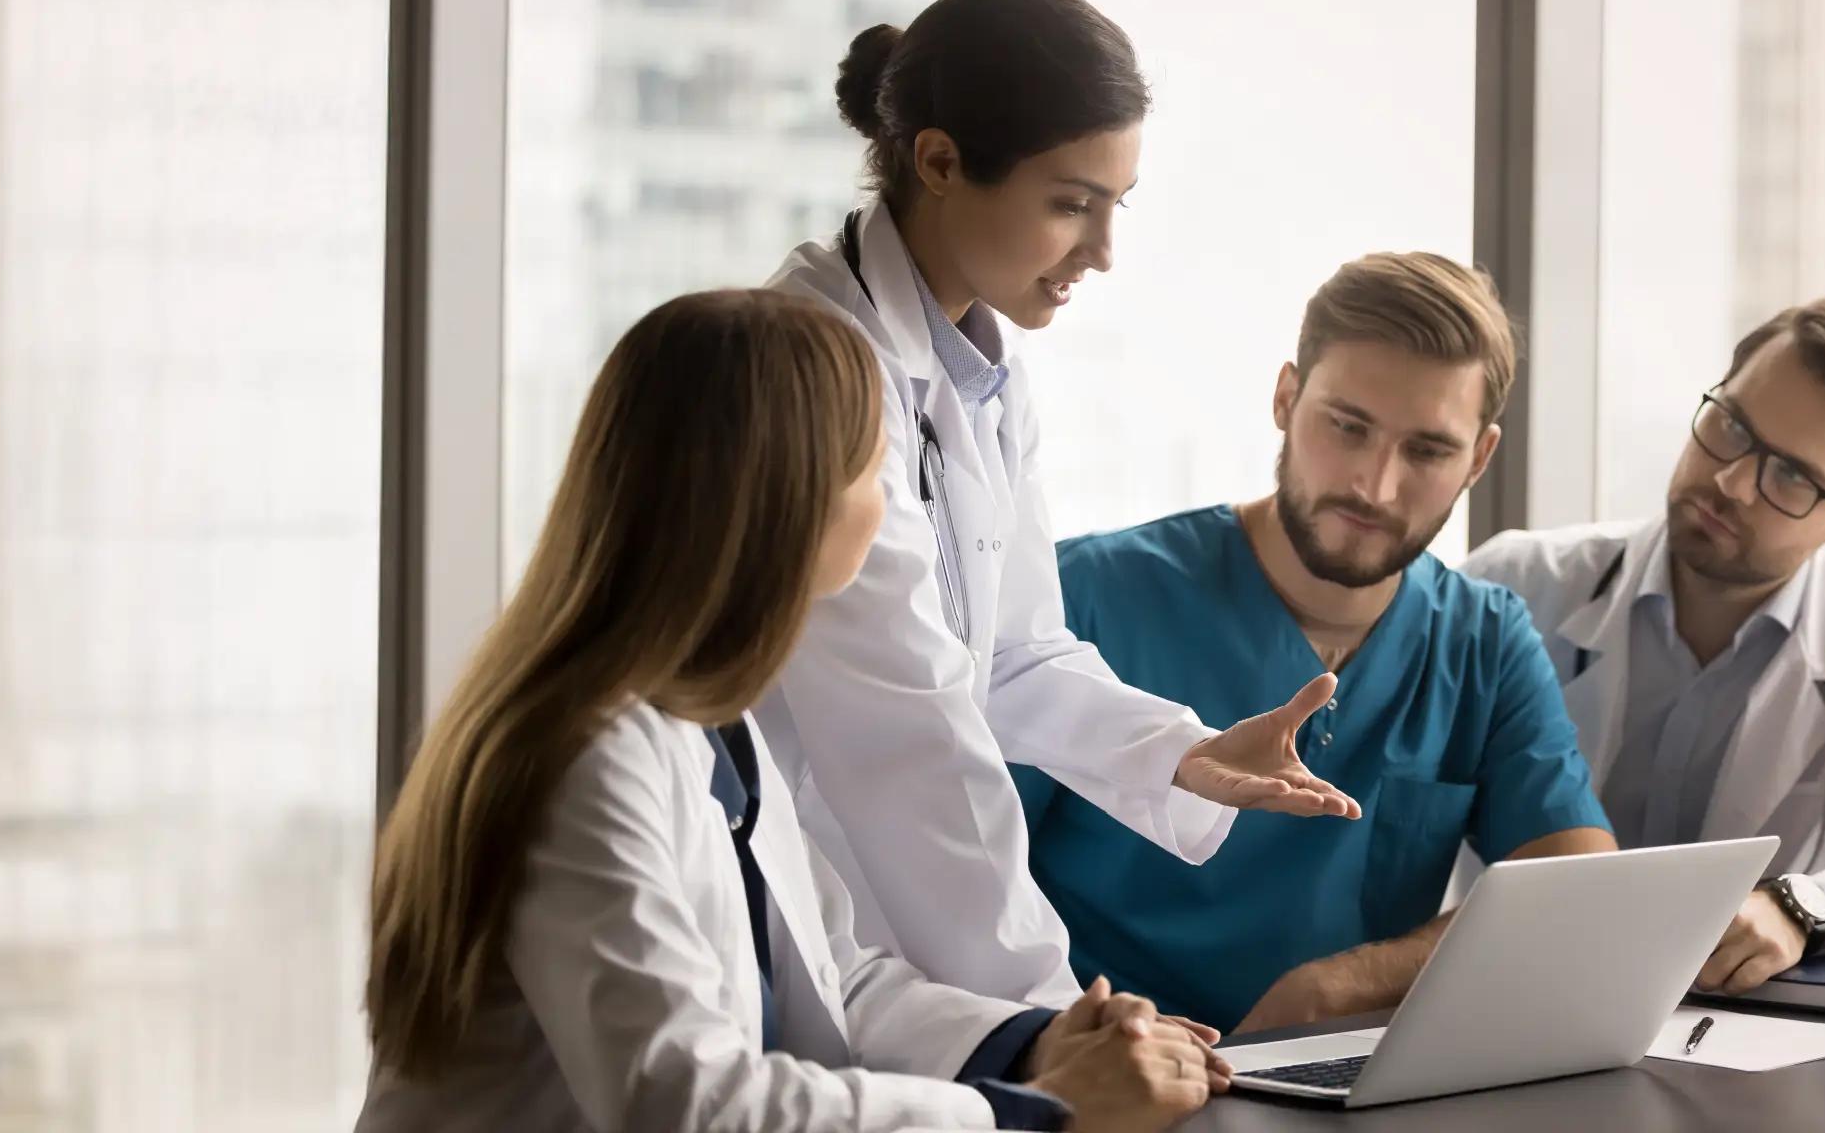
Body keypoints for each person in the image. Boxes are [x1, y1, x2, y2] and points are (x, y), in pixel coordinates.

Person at [357, 290, 1224, 1132]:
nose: (887, 499)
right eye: (868, 464)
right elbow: (684, 1103)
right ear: (791, 501)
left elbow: (832, 975)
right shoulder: (586, 756)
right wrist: (1026, 1117)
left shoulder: (709, 723)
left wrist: (1035, 1046)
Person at [756, 0, 1357, 1012]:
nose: (1103, 252)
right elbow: (910, 738)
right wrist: (1051, 1017)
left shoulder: (982, 374)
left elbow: (1016, 652)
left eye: (1114, 206)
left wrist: (1188, 751)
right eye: (1071, 204)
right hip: (796, 905)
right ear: (938, 161)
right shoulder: (814, 369)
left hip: (890, 932)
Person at [1015, 254, 1614, 1033]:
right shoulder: (1082, 596)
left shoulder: (1485, 640)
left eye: (1428, 450)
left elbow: (1580, 894)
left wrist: (1338, 986)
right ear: (1286, 397)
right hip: (1091, 1080)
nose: (1375, 484)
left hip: (1337, 1090)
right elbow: (953, 880)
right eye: (1348, 426)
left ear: (1480, 459)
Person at [1463, 296, 1825, 994]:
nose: (1730, 481)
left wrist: (1805, 907)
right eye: (1730, 426)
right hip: (1513, 1007)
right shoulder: (1517, 584)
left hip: (1747, 1047)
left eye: (1791, 478)